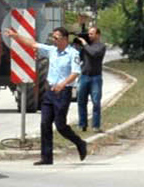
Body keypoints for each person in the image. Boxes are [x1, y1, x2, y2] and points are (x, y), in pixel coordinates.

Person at [10, 26, 87, 164]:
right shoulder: (52, 50)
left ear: (65, 39)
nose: (54, 40)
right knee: (45, 123)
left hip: (63, 92)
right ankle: (46, 157)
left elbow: (75, 72)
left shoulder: (73, 53)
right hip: (49, 92)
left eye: (56, 38)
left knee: (60, 125)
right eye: (53, 37)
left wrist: (62, 84)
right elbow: (33, 44)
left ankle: (80, 143)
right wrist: (16, 36)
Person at [74, 26, 107, 131]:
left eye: (92, 34)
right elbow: (79, 58)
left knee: (96, 102)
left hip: (96, 77)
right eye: (88, 34)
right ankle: (82, 124)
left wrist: (85, 44)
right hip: (84, 76)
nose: (89, 35)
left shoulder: (101, 46)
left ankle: (95, 126)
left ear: (98, 35)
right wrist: (77, 46)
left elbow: (93, 53)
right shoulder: (85, 46)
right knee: (81, 101)